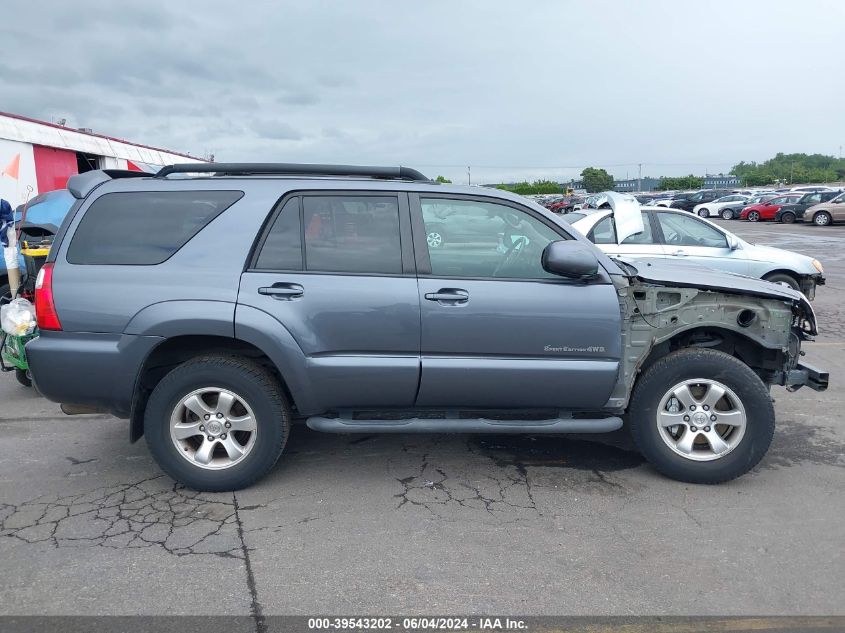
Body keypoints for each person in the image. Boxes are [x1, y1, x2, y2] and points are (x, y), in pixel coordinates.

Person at [1, 197, 20, 298]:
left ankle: (16, 297)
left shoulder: (3, 205)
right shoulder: (4, 205)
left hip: (9, 248)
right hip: (9, 248)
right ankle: (16, 297)